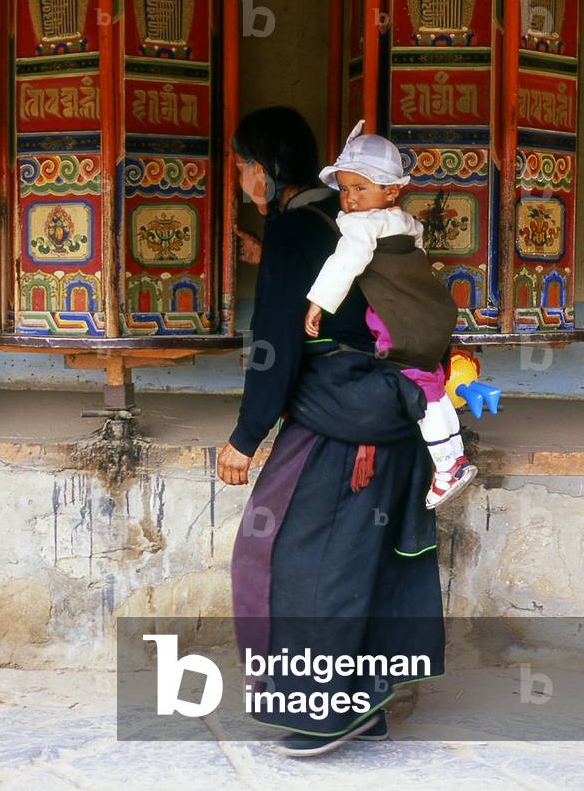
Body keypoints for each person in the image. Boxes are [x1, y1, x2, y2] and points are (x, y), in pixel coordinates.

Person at [218, 106, 445, 757]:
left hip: (347, 421)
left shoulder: (303, 230)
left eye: (240, 166)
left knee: (302, 559)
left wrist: (246, 434)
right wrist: (269, 250)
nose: (240, 179)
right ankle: (361, 705)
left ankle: (325, 710)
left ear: (263, 171)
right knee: (355, 560)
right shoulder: (337, 221)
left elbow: (276, 343)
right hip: (385, 406)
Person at [304, 121, 478, 509]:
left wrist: (319, 301)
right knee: (434, 383)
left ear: (391, 190)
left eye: (361, 188)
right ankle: (457, 454)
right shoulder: (405, 222)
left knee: (419, 392)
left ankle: (447, 466)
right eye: (345, 189)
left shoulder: (360, 226)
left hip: (397, 321)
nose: (349, 199)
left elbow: (344, 262)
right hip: (428, 317)